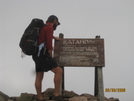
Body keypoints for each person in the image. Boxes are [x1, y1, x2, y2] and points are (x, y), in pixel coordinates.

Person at [32, 15, 64, 101]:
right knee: (58, 71)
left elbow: (43, 37)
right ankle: (56, 95)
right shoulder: (50, 28)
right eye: (57, 23)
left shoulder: (42, 26)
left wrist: (54, 37)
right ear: (55, 21)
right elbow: (49, 45)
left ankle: (39, 97)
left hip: (36, 54)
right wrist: (51, 57)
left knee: (39, 75)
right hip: (43, 54)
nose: (57, 25)